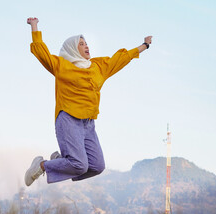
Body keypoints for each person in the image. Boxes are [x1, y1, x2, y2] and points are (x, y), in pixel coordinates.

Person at [25, 17, 152, 186]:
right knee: (79, 165)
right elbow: (41, 52)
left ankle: (61, 161)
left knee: (97, 166)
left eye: (86, 43)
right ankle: (41, 166)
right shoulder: (61, 66)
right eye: (82, 44)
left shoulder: (98, 67)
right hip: (68, 119)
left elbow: (121, 59)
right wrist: (34, 26)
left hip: (88, 123)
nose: (87, 46)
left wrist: (144, 46)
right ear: (72, 49)